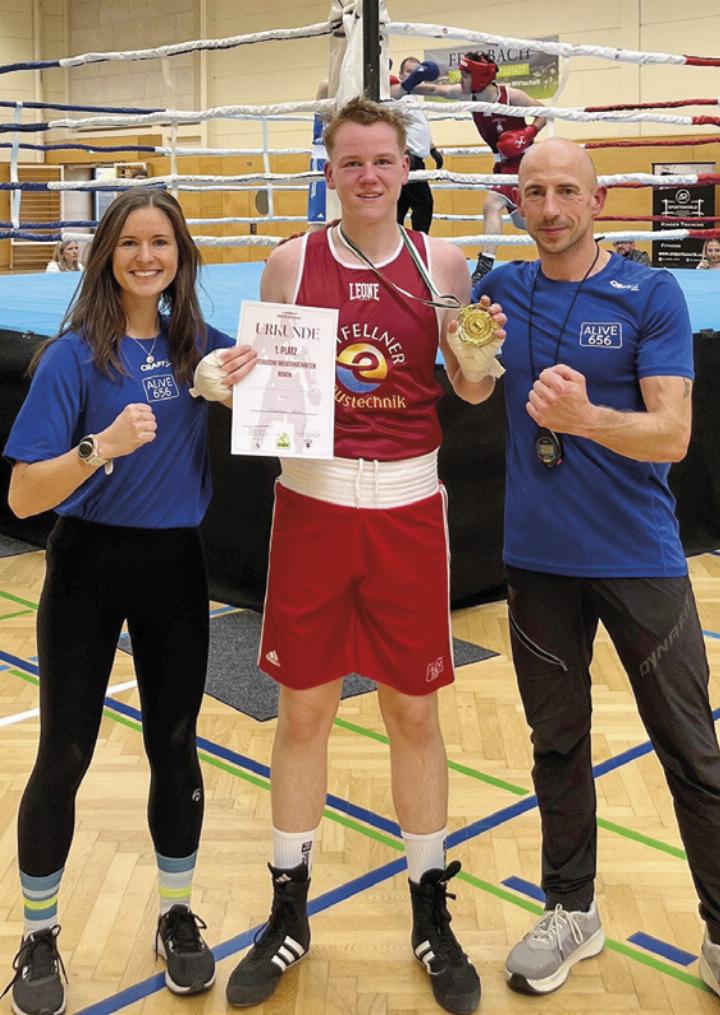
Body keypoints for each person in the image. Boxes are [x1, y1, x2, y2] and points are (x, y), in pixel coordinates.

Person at [195, 96, 506, 1015]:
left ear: (406, 167)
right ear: (329, 172)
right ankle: (287, 909)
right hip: (312, 510)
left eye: (383, 160)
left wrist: (478, 362)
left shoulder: (439, 260)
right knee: (304, 714)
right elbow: (269, 380)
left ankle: (429, 910)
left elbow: (472, 392)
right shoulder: (292, 258)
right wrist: (225, 380)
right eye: (352, 162)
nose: (369, 176)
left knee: (414, 716)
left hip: (409, 512)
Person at [473, 136, 720, 999]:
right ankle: (570, 908)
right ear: (518, 200)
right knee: (556, 743)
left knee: (692, 751)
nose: (548, 207)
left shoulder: (651, 291)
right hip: (537, 561)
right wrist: (466, 350)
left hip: (638, 557)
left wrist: (583, 418)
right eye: (533, 191)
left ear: (598, 198)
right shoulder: (500, 287)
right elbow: (470, 389)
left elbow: (674, 434)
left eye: (565, 191)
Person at [1, 188, 256, 1015]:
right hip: (86, 565)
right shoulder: (73, 357)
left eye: (162, 243)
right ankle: (38, 934)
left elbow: (286, 389)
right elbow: (22, 498)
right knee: (65, 753)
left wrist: (246, 386)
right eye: (131, 243)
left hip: (176, 568)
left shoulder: (198, 348)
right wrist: (98, 448)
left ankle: (177, 914)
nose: (147, 257)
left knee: (175, 746)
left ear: (180, 255)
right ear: (107, 254)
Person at [398, 51, 546, 281]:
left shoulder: (510, 96)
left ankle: (484, 266)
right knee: (521, 221)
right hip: (503, 163)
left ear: (479, 77)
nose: (460, 79)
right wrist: (406, 85)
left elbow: (542, 113)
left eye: (465, 75)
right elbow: (436, 90)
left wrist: (528, 132)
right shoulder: (469, 95)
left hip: (525, 160)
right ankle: (563, 243)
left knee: (492, 205)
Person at [391, 57, 444, 233]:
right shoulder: (395, 97)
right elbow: (390, 124)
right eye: (409, 71)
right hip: (407, 159)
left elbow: (418, 129)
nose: (414, 75)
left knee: (401, 206)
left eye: (417, 71)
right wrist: (402, 149)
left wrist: (432, 148)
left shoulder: (415, 99)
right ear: (400, 75)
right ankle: (420, 245)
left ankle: (399, 247)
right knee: (423, 204)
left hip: (416, 161)